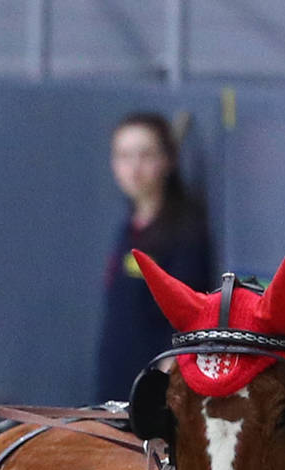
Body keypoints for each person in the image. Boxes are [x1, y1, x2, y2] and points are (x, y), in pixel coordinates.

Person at [93, 111, 213, 397]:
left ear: (168, 161)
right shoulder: (128, 229)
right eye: (123, 156)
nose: (134, 168)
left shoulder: (185, 235)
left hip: (155, 399)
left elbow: (192, 320)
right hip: (115, 390)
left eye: (146, 155)